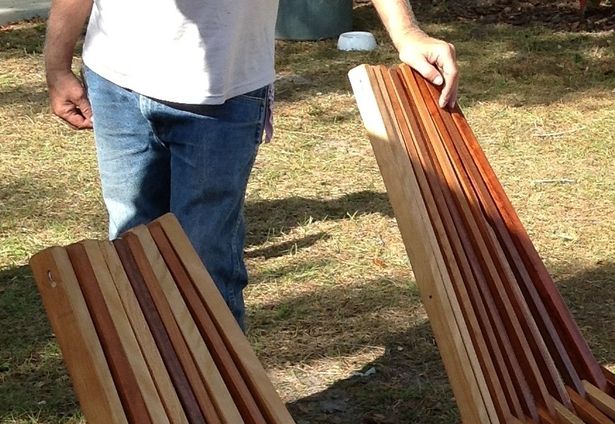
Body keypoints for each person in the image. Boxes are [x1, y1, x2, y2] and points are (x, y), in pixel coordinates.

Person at [44, 1, 458, 325]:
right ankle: (150, 412)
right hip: (114, 80)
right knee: (130, 252)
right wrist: (57, 64)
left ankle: (221, 423)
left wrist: (406, 32)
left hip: (223, 98)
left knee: (205, 266)